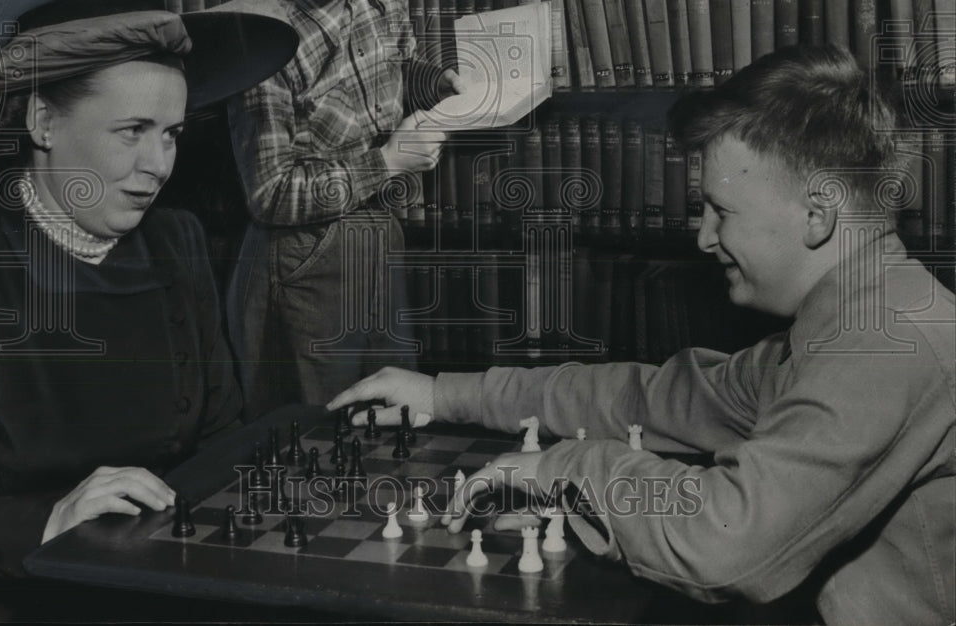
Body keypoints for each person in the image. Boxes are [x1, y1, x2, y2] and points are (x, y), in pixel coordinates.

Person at [328, 44, 955, 626]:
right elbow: (650, 398)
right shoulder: (856, 317)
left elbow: (723, 540)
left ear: (817, 217)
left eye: (722, 211)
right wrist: (446, 395)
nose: (705, 237)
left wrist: (563, 466)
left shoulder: (881, 345)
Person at [0, 0, 299, 576]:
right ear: (43, 121)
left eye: (171, 134)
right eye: (132, 130)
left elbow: (222, 436)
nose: (158, 165)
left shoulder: (177, 241)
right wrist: (45, 521)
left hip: (167, 572)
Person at [225, 0, 462, 416]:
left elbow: (397, 66)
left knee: (392, 408)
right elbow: (269, 194)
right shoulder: (261, 36)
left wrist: (440, 83)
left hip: (380, 231)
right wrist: (386, 160)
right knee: (315, 429)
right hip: (301, 255)